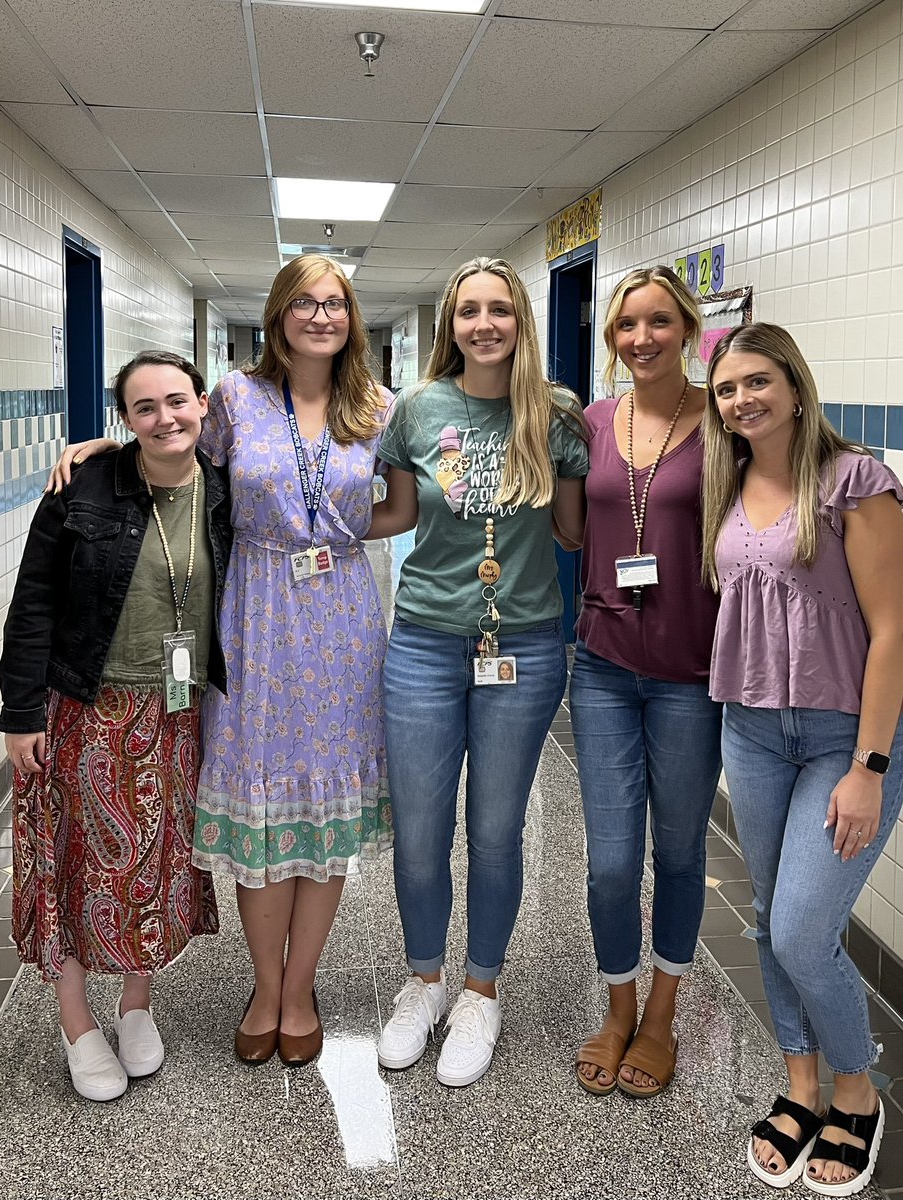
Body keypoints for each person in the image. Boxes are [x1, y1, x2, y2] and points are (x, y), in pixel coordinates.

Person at [49, 254, 392, 1070]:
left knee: (323, 808)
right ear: (278, 315)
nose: (319, 315)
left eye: (334, 302)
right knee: (259, 810)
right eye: (303, 302)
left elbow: (401, 504)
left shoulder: (377, 406)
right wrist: (108, 445)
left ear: (352, 317)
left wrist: (336, 542)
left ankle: (299, 988)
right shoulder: (237, 396)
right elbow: (179, 458)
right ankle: (263, 987)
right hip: (253, 616)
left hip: (341, 618)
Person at [701, 323, 903, 1194]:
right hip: (752, 732)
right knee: (768, 917)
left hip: (844, 738)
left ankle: (855, 1095)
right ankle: (798, 1088)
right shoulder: (728, 481)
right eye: (725, 389)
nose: (741, 400)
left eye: (756, 382)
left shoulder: (851, 481)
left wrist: (867, 769)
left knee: (802, 927)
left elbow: (888, 633)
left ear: (794, 385)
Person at [366, 256, 587, 1087]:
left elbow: (571, 532)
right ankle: (422, 982)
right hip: (423, 640)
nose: (483, 324)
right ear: (448, 325)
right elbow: (390, 510)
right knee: (420, 833)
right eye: (468, 311)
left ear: (520, 320)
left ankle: (479, 991)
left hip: (522, 646)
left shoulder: (556, 415)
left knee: (495, 831)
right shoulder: (416, 410)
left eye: (499, 309)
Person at [0, 351, 230, 1101]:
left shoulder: (221, 488)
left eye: (176, 401)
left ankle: (135, 1004)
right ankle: (75, 1021)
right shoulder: (83, 486)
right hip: (84, 709)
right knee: (74, 865)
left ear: (202, 404)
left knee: (153, 864)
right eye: (143, 408)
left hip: (177, 711)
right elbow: (33, 599)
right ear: (123, 421)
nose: (165, 418)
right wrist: (20, 711)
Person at [569, 267, 723, 1099]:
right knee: (608, 862)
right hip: (599, 667)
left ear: (688, 329)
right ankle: (617, 1005)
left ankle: (662, 1016)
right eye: (627, 324)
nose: (641, 338)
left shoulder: (722, 425)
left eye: (659, 321)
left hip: (691, 677)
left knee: (678, 850)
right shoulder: (594, 422)